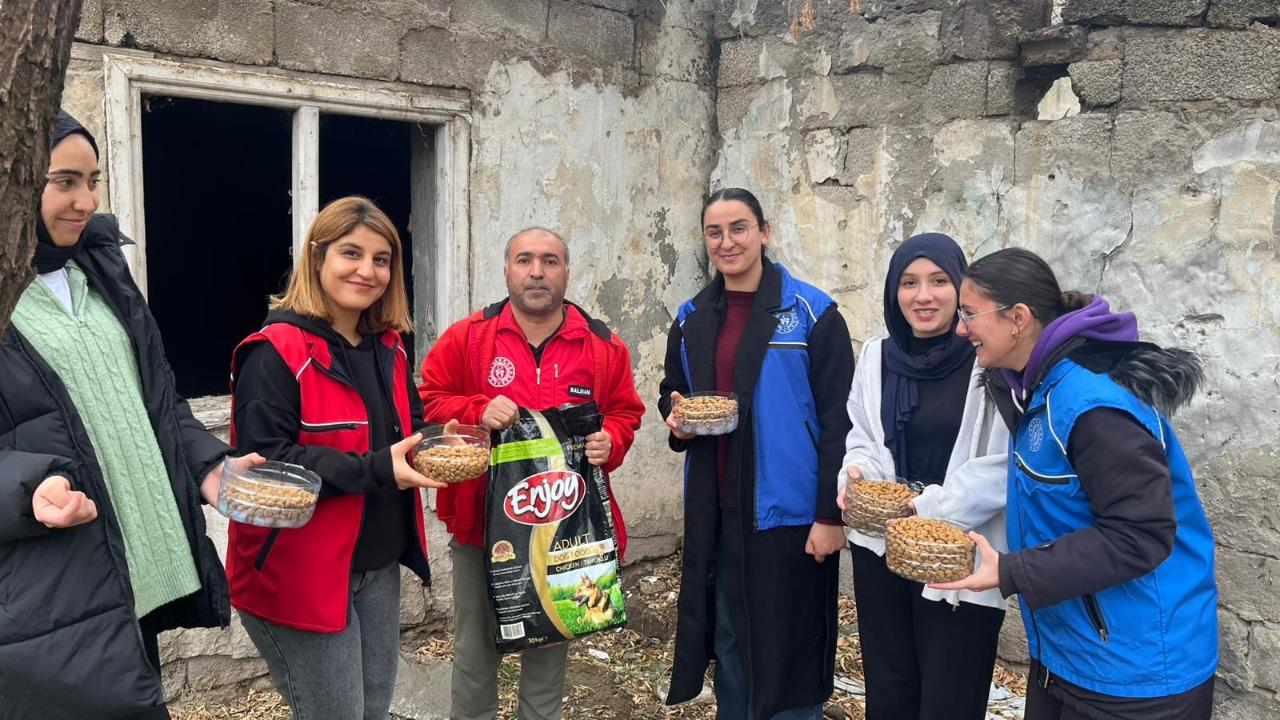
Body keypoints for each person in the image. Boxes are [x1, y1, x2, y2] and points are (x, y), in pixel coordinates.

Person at [0, 111, 260, 719]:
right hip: (51, 583)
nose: (85, 201)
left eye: (93, 181)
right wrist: (27, 488)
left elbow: (153, 395)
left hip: (127, 560)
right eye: (65, 181)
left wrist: (206, 465)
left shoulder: (96, 268)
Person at [934, 247, 1218, 719]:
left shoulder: (1091, 405)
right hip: (1069, 655)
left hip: (1135, 676)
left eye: (969, 314)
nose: (960, 328)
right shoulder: (1031, 387)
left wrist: (1011, 572)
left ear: (1018, 318)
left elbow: (1140, 534)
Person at [227, 196, 451, 720]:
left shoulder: (390, 347)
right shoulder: (274, 350)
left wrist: (439, 442)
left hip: (375, 561)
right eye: (351, 253)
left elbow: (403, 430)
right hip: (299, 567)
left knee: (374, 708)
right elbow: (268, 462)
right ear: (317, 257)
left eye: (381, 259)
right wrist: (374, 469)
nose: (367, 270)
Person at [418, 226, 645, 720]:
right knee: (475, 655)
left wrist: (614, 440)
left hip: (566, 532)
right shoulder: (470, 338)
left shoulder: (603, 346)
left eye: (549, 261)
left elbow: (626, 412)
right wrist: (475, 409)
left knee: (548, 651)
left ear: (567, 271)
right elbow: (428, 401)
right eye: (524, 261)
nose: (536, 272)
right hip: (482, 529)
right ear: (507, 271)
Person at [660, 188, 854, 720]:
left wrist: (829, 514)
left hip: (786, 512)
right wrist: (677, 419)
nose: (728, 242)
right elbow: (672, 389)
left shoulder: (813, 314)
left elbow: (841, 420)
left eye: (739, 228)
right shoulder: (692, 315)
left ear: (764, 232)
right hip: (719, 507)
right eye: (715, 232)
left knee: (789, 644)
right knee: (731, 640)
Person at [836, 233, 1009, 720]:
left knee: (950, 692)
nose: (923, 295)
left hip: (957, 553)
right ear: (895, 291)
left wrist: (929, 508)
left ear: (960, 288)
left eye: (938, 281)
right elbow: (864, 435)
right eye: (909, 282)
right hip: (884, 545)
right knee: (890, 683)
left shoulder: (986, 361)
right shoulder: (876, 356)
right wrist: (857, 475)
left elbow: (1001, 465)